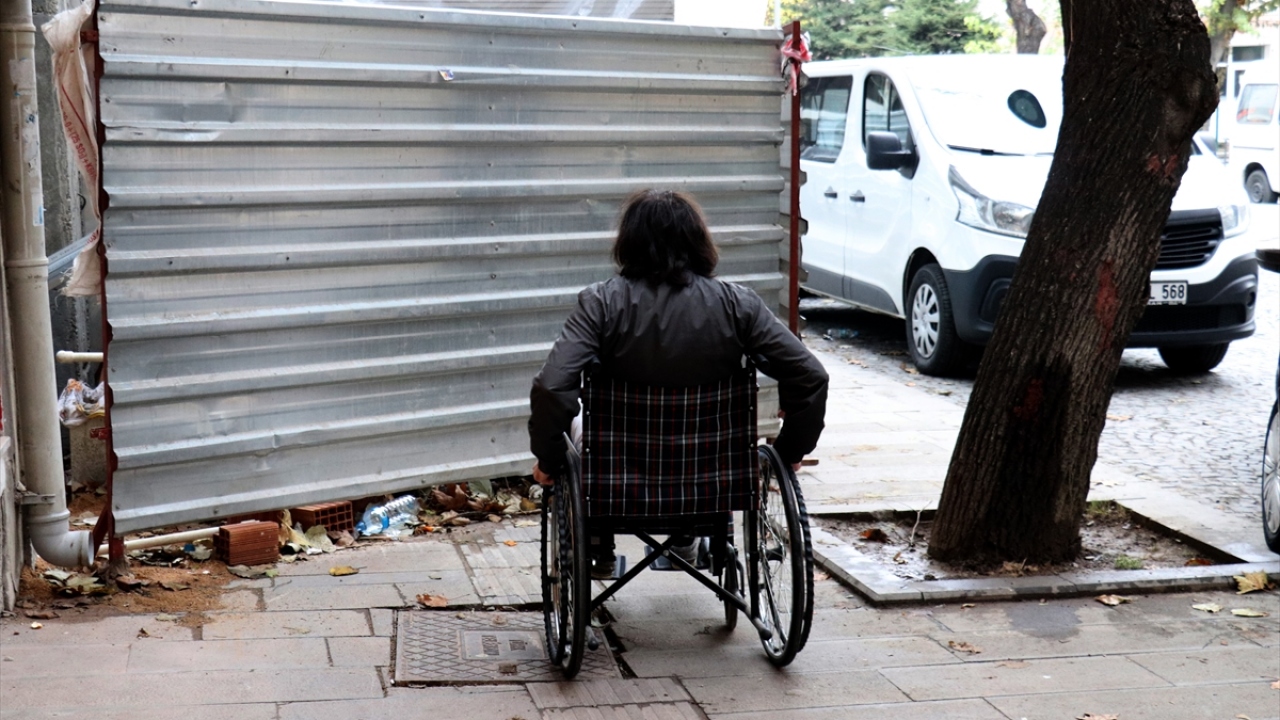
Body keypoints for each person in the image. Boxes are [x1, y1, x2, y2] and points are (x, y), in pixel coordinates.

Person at [528, 188, 828, 577]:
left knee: (580, 427)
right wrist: (789, 450)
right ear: (699, 242)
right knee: (717, 438)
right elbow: (810, 374)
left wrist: (549, 458)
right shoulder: (739, 305)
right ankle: (686, 536)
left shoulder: (600, 304)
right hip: (711, 469)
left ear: (628, 243)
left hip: (620, 467)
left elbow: (552, 387)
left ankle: (599, 547)